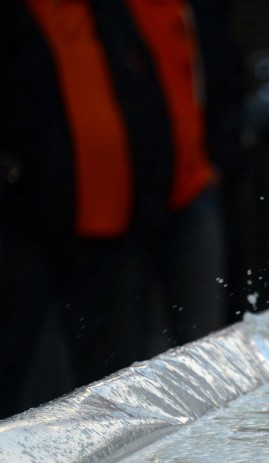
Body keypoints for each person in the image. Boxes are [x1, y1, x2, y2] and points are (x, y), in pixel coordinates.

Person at [0, 0, 229, 418]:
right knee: (28, 371)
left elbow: (148, 96)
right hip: (35, 221)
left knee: (114, 374)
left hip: (119, 221)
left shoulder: (108, 13)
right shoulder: (22, 16)